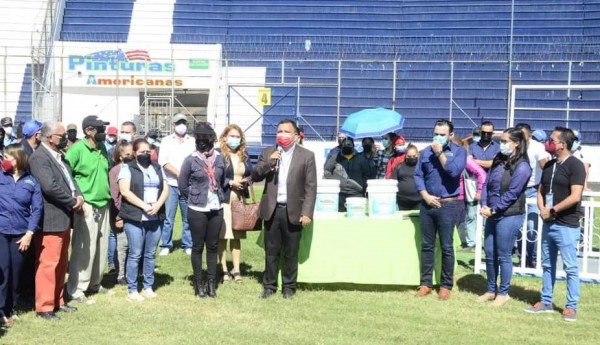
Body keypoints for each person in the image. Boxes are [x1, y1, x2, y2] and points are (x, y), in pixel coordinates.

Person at [525, 127, 585, 322]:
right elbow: (541, 190)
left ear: (562, 144)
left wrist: (553, 210)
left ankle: (571, 306)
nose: (548, 142)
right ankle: (546, 301)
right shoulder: (549, 165)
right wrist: (543, 209)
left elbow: (575, 196)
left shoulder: (576, 165)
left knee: (570, 267)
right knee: (547, 264)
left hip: (566, 224)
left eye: (552, 140)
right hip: (549, 222)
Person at [251, 119, 317, 299]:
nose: (282, 135)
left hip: (294, 209)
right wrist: (269, 164)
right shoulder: (269, 152)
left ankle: (289, 287)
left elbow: (311, 187)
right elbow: (255, 176)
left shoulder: (307, 156)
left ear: (296, 136)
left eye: (287, 132)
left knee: (291, 251)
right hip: (273, 209)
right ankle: (269, 286)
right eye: (279, 131)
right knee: (271, 251)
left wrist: (307, 212)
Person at [29, 121, 82, 320]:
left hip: (64, 217)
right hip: (50, 218)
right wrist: (72, 202)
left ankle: (58, 300)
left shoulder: (60, 157)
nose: (66, 139)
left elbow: (71, 180)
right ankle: (44, 307)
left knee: (61, 262)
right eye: (62, 136)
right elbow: (49, 187)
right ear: (50, 137)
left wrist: (79, 196)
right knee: (48, 263)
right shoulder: (39, 157)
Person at [477, 128, 531, 306]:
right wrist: (484, 204)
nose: (502, 144)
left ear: (516, 143)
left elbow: (513, 193)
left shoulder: (522, 166)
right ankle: (491, 289)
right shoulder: (498, 160)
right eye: (501, 141)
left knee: (504, 254)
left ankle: (504, 292)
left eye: (505, 141)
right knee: (490, 253)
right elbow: (486, 183)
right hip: (491, 212)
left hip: (509, 215)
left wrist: (494, 210)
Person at [414, 119, 466, 300]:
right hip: (428, 204)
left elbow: (453, 172)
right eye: (436, 133)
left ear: (451, 135)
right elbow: (418, 175)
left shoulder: (459, 152)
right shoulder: (425, 152)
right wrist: (425, 195)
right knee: (427, 246)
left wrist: (440, 153)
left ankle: (445, 285)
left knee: (446, 247)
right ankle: (425, 283)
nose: (437, 137)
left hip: (448, 204)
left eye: (442, 134)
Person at [65, 115, 112, 305]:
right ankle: (76, 289)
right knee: (84, 248)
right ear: (88, 131)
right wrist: (77, 198)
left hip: (104, 203)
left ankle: (94, 283)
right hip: (87, 204)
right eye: (100, 129)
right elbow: (67, 174)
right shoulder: (76, 150)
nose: (104, 132)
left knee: (101, 247)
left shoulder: (102, 148)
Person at [178, 122, 226, 299]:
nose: (202, 141)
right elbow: (182, 184)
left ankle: (211, 282)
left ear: (212, 139)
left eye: (205, 137)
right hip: (197, 208)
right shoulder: (190, 159)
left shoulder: (220, 158)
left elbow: (223, 181)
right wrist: (194, 196)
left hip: (216, 208)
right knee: (198, 246)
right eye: (198, 137)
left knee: (212, 246)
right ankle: (199, 283)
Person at [119, 139, 169, 302]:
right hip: (135, 216)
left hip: (155, 216)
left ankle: (148, 286)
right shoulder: (127, 168)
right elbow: (125, 192)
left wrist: (157, 205)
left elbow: (165, 189)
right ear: (134, 153)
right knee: (135, 254)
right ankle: (132, 289)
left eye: (149, 152)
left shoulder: (157, 168)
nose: (146, 155)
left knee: (150, 254)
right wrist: (144, 206)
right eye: (142, 152)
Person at [0, 144, 42, 326]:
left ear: (18, 159)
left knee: (17, 274)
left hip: (20, 234)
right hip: (1, 232)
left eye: (8, 157)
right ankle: (1, 311)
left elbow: (37, 210)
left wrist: (29, 234)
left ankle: (13, 307)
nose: (4, 161)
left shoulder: (31, 181)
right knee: (4, 272)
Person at [217, 124, 253, 283]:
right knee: (223, 237)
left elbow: (252, 174)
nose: (235, 139)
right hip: (224, 200)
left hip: (239, 202)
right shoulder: (218, 155)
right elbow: (215, 177)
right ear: (224, 137)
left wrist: (245, 181)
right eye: (232, 136)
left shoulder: (244, 156)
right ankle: (223, 269)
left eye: (237, 137)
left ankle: (236, 269)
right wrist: (230, 182)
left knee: (236, 237)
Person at [158, 113, 195, 256]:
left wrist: (186, 176)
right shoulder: (166, 141)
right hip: (171, 184)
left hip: (188, 185)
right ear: (173, 125)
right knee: (169, 217)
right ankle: (166, 244)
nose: (182, 125)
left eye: (184, 122)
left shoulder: (192, 141)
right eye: (178, 122)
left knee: (188, 217)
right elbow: (164, 162)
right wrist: (180, 174)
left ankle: (188, 244)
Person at [515, 123, 551, 268]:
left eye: (522, 135)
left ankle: (532, 259)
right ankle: (521, 258)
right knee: (518, 227)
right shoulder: (514, 145)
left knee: (531, 226)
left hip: (533, 190)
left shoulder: (537, 147)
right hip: (517, 190)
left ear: (529, 135)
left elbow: (545, 166)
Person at [108, 142, 133, 285]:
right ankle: (120, 274)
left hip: (134, 212)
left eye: (132, 153)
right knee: (122, 245)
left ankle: (131, 272)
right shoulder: (115, 171)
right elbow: (115, 195)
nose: (130, 156)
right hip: (120, 213)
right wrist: (118, 216)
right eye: (126, 154)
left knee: (132, 245)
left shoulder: (134, 168)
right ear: (120, 155)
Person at [455, 137, 486, 251]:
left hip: (469, 195)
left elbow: (481, 174)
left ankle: (472, 243)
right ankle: (468, 242)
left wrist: (479, 191)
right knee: (467, 219)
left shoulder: (466, 160)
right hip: (458, 196)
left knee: (472, 218)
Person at [323, 137, 370, 212]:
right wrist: (334, 182)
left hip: (357, 194)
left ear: (353, 145)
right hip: (340, 194)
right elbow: (326, 170)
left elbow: (367, 174)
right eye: (344, 144)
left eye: (349, 144)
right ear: (341, 146)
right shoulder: (335, 157)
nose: (346, 146)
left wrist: (362, 186)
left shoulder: (361, 158)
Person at [390, 144, 421, 210]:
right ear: (405, 155)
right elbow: (392, 182)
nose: (412, 158)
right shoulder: (399, 166)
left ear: (417, 154)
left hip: (418, 201)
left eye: (414, 156)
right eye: (409, 156)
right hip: (402, 201)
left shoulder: (422, 167)